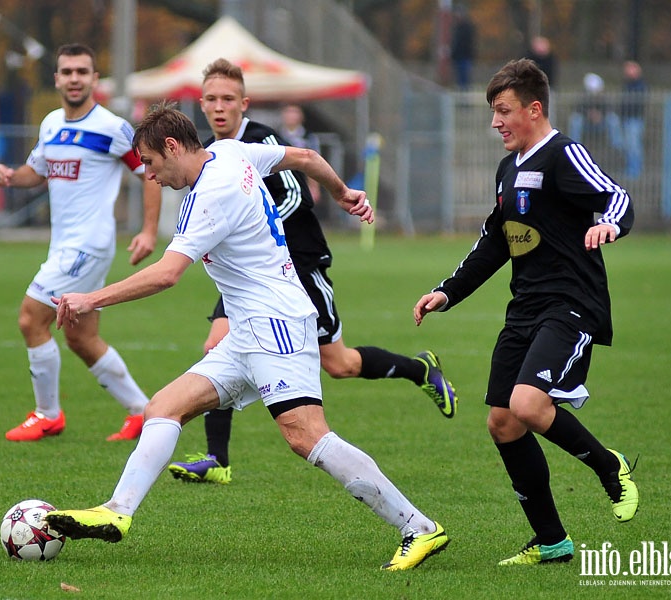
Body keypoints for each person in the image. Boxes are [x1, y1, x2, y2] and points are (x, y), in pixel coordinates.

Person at [45, 101, 450, 572]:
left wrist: (90, 299)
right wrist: (342, 192)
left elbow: (167, 274)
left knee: (305, 436)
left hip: (276, 324)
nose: (150, 176)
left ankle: (418, 527)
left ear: (172, 147)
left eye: (151, 164)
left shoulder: (210, 193)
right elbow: (303, 158)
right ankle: (116, 513)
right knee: (163, 408)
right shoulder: (230, 152)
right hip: (247, 330)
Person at [167, 58, 456, 485]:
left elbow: (296, 201)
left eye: (228, 98)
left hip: (299, 263)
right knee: (217, 342)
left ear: (244, 103)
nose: (218, 107)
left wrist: (236, 225)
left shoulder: (262, 140)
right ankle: (217, 458)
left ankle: (421, 370)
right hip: (251, 275)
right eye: (210, 99)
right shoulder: (206, 151)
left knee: (338, 364)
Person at [412, 58, 638, 566]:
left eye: (504, 111)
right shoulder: (508, 167)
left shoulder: (563, 153)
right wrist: (446, 292)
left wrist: (610, 225)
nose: (496, 122)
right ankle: (553, 541)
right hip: (525, 309)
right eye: (494, 112)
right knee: (503, 423)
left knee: (529, 405)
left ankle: (609, 466)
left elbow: (616, 196)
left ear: (534, 109)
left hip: (571, 305)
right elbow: (494, 242)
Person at [0, 43, 162, 443]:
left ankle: (48, 414)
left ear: (94, 79)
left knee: (31, 319)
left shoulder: (112, 127)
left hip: (87, 245)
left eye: (82, 72)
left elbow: (149, 174)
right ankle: (142, 412)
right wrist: (11, 177)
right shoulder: (51, 123)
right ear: (57, 78)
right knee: (81, 338)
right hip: (65, 245)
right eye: (66, 71)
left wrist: (149, 230)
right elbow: (38, 171)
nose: (74, 79)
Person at [278, 103, 322, 202]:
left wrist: (314, 186)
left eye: (294, 112)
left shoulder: (309, 138)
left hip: (302, 181)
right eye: (288, 112)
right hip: (281, 181)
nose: (291, 116)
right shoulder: (276, 135)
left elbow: (314, 162)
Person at [618, 60, 647, 179]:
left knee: (634, 145)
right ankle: (631, 167)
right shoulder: (627, 85)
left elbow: (636, 102)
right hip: (627, 118)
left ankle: (635, 168)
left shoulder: (640, 85)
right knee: (629, 145)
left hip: (635, 119)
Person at [449, 6, 477, 90]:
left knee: (464, 80)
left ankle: (465, 99)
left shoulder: (466, 28)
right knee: (460, 80)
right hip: (459, 58)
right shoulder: (457, 28)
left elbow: (464, 44)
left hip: (464, 57)